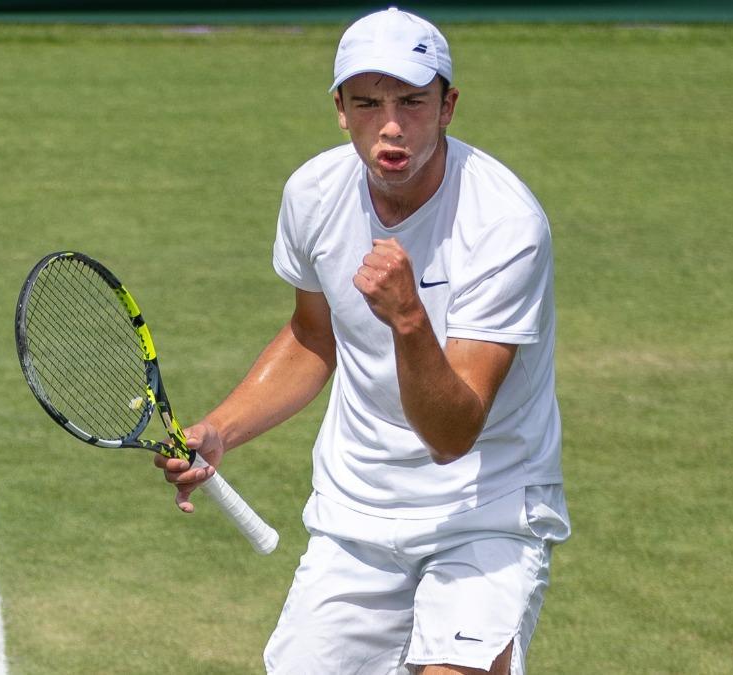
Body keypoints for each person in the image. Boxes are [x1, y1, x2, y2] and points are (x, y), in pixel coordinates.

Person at [155, 7, 570, 674]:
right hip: (357, 510)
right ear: (341, 109)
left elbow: (452, 432)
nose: (393, 125)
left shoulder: (506, 225)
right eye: (369, 102)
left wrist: (408, 321)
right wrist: (222, 429)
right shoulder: (314, 194)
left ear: (448, 105)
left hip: (486, 510)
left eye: (412, 100)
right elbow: (313, 335)